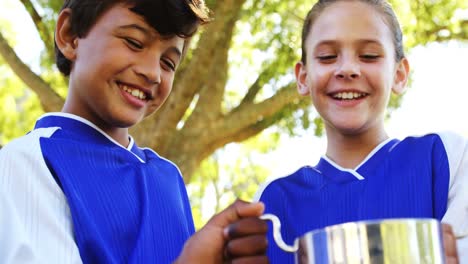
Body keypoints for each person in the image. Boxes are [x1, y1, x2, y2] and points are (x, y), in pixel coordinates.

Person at [0, 0, 268, 263]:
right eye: (134, 43)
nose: (153, 73)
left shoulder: (168, 178)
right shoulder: (26, 162)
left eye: (168, 63)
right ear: (70, 35)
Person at [254, 0, 468, 263]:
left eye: (368, 56)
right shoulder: (273, 201)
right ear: (303, 77)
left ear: (399, 74)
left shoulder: (447, 159)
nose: (347, 69)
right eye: (327, 57)